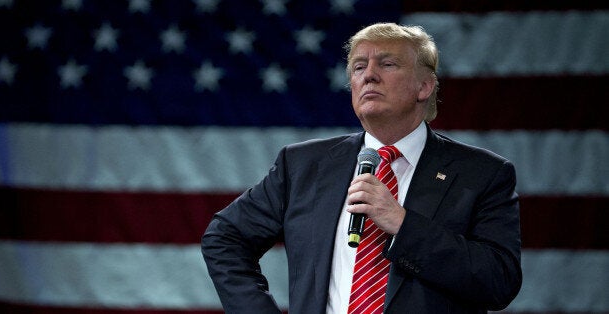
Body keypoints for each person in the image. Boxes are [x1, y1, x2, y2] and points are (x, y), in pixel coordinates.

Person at [202, 22, 522, 313]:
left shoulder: (482, 173)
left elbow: (500, 281)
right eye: (358, 67)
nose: (368, 74)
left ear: (424, 86)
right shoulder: (302, 165)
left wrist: (403, 224)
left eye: (387, 63)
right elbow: (224, 237)